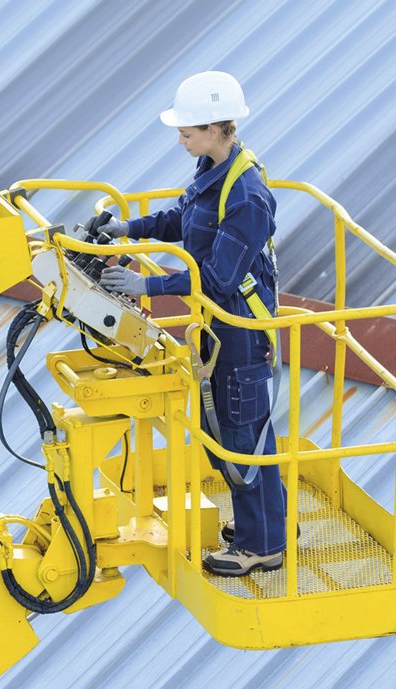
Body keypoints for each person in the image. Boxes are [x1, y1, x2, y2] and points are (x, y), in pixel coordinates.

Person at [96, 71, 286, 577]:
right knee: (233, 430)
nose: (180, 140)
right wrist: (128, 230)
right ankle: (267, 526)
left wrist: (146, 288)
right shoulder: (212, 170)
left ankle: (259, 547)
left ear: (219, 127)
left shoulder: (245, 196)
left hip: (238, 329)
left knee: (240, 436)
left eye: (187, 132)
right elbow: (183, 220)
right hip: (218, 327)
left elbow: (220, 277)